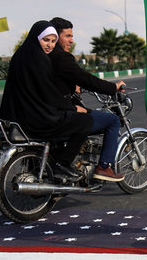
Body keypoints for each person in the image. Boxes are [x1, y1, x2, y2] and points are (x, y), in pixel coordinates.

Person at [0, 20, 93, 181]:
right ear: (36, 38)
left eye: (53, 41)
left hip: (19, 117)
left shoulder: (20, 55)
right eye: (45, 40)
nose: (49, 45)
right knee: (86, 121)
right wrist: (72, 108)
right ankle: (62, 165)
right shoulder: (39, 59)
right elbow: (47, 92)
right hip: (37, 119)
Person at [49, 17, 125, 182]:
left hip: (49, 110)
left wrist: (72, 86)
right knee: (112, 120)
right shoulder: (61, 57)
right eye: (68, 36)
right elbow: (87, 79)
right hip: (61, 114)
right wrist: (112, 88)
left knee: (87, 114)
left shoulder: (44, 56)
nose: (71, 40)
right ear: (55, 36)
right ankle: (104, 167)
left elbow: (57, 81)